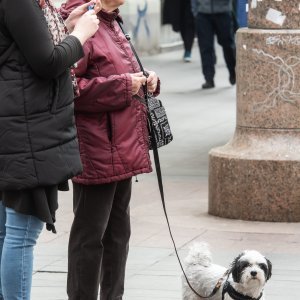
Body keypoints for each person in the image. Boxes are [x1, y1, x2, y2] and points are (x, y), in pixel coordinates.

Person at [0, 0, 101, 299]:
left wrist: (67, 26)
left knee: (7, 230)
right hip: (27, 131)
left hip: (17, 126)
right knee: (21, 233)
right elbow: (47, 62)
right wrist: (80, 35)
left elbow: (22, 48)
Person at [61, 0, 160, 299]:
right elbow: (69, 89)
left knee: (118, 235)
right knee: (90, 237)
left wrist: (146, 80)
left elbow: (120, 72)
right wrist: (122, 85)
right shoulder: (83, 20)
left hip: (124, 144)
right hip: (98, 148)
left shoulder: (112, 20)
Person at [191, 0, 236, 89]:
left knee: (228, 45)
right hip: (203, 13)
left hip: (223, 11)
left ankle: (232, 71)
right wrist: (195, 11)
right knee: (205, 46)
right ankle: (209, 78)